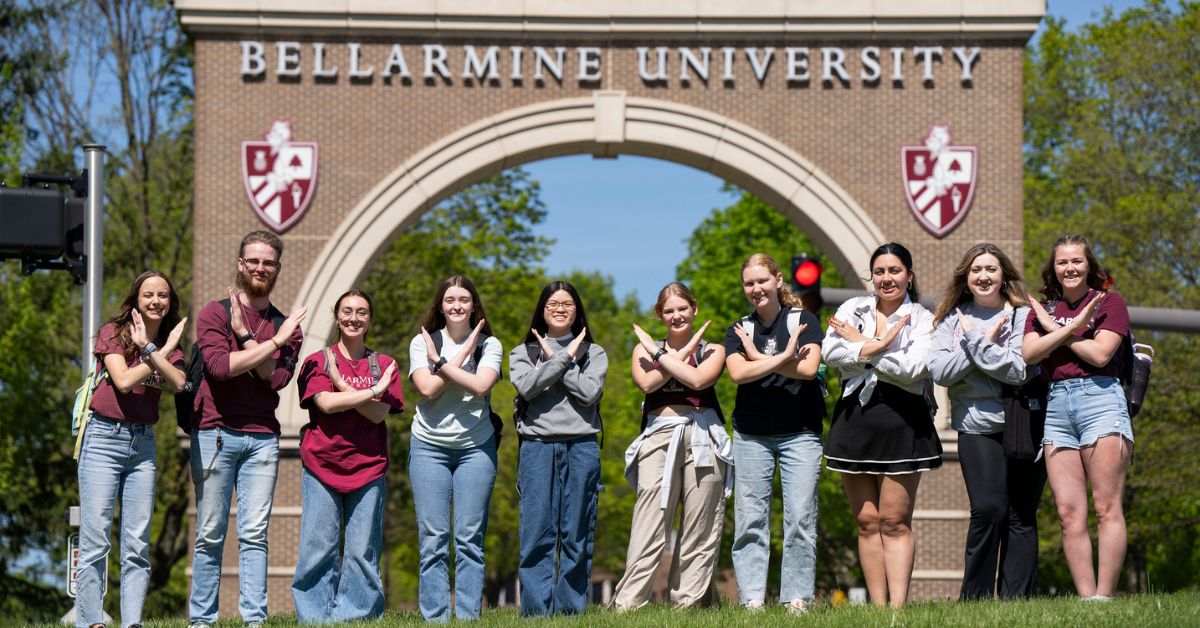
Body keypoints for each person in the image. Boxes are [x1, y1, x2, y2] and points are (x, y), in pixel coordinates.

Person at [188, 231, 307, 628]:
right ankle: (201, 621)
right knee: (209, 533)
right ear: (241, 264)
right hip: (215, 433)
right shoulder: (214, 313)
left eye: (268, 263)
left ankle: (254, 621)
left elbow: (274, 380)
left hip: (262, 439)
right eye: (253, 261)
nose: (260, 268)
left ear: (277, 269)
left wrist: (245, 336)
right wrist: (272, 342)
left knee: (254, 534)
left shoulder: (287, 326)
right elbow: (221, 369)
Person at [823, 241, 939, 608]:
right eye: (879, 272)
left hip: (903, 422)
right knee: (867, 521)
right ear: (870, 276)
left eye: (894, 271)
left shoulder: (923, 318)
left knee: (894, 520)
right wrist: (879, 345)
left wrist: (859, 345)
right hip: (854, 420)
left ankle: (897, 610)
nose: (886, 279)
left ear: (909, 275)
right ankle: (876, 609)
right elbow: (830, 353)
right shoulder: (851, 307)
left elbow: (912, 370)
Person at [928, 243, 1043, 599]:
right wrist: (980, 345)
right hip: (976, 426)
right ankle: (974, 598)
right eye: (976, 270)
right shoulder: (951, 318)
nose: (984, 276)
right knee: (988, 510)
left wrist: (973, 345)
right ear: (966, 276)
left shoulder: (1022, 316)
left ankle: (1016, 600)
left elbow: (1021, 369)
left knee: (1021, 514)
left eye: (991, 269)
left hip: (1023, 422)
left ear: (1003, 275)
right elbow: (940, 371)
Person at [1022, 234, 1132, 601]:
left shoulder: (1108, 302)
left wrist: (1055, 329)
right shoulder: (1041, 309)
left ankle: (1104, 596)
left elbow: (1101, 355)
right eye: (1062, 262)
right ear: (1053, 269)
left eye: (1076, 261)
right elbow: (1030, 354)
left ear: (1089, 265)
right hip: (1057, 406)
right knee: (1069, 512)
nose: (1069, 268)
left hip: (1100, 399)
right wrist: (1069, 328)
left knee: (1105, 506)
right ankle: (1087, 601)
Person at [74, 271, 187, 628]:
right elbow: (122, 382)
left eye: (163, 295)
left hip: (143, 446)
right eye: (149, 294)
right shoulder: (114, 332)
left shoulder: (172, 342)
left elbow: (181, 381)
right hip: (103, 440)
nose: (156, 301)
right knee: (95, 537)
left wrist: (156, 350)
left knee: (138, 541)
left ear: (170, 301)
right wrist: (159, 355)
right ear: (136, 299)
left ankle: (132, 622)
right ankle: (91, 621)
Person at [613, 282, 731, 610]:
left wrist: (661, 354)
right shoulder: (641, 350)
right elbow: (649, 383)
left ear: (694, 309)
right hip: (659, 437)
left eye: (682, 308)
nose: (676, 315)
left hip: (703, 435)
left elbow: (697, 381)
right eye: (669, 310)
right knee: (650, 519)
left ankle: (689, 604)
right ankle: (629, 603)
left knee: (700, 523)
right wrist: (670, 352)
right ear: (659, 314)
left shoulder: (712, 349)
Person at [291, 290, 403, 622]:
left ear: (370, 319)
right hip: (321, 466)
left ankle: (355, 616)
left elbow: (379, 415)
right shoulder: (318, 361)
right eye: (347, 311)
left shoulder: (384, 364)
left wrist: (343, 388)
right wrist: (369, 390)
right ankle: (314, 617)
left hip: (368, 469)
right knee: (318, 548)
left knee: (362, 551)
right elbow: (324, 404)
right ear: (337, 316)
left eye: (362, 312)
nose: (354, 318)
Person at [724, 253, 825, 614]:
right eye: (749, 283)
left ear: (778, 280)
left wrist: (757, 358)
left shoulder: (805, 320)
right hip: (751, 434)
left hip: (801, 433)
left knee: (800, 517)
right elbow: (737, 374)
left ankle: (796, 599)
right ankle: (752, 599)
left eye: (762, 281)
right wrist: (786, 354)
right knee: (751, 518)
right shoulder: (739, 329)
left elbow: (810, 368)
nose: (756, 289)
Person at [407, 276, 503, 621]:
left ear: (474, 305)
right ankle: (435, 616)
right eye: (450, 300)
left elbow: (480, 386)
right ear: (441, 305)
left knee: (469, 537)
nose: (457, 305)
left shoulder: (490, 345)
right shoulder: (423, 342)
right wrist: (451, 359)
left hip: (476, 449)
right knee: (433, 538)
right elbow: (428, 389)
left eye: (464, 299)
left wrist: (445, 361)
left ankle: (467, 616)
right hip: (429, 447)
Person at [509, 281, 608, 616]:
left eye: (567, 303)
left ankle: (571, 611)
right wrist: (563, 358)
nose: (560, 308)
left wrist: (560, 362)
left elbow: (589, 393)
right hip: (537, 446)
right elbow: (527, 386)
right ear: (542, 309)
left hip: (582, 445)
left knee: (577, 532)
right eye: (553, 303)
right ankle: (536, 612)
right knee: (537, 531)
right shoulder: (524, 352)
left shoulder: (594, 353)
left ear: (577, 310)